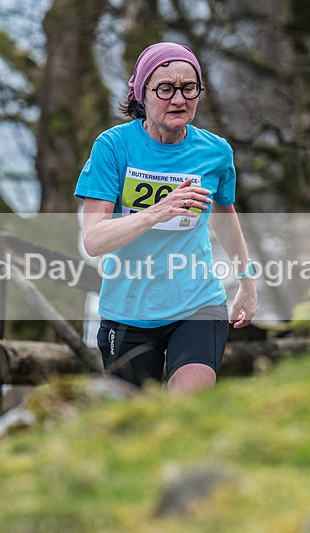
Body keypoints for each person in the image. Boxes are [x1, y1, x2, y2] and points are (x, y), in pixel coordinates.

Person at [75, 42, 258, 394]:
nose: (179, 99)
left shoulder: (215, 151)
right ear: (142, 93)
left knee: (190, 401)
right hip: (127, 312)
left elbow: (223, 217)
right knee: (135, 424)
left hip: (197, 305)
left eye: (189, 88)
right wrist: (157, 211)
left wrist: (246, 282)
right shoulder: (113, 147)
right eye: (165, 89)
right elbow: (94, 240)